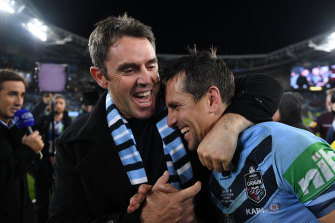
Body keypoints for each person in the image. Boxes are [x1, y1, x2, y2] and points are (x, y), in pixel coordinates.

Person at [48, 14, 283, 223]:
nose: (147, 79)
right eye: (129, 70)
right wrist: (143, 218)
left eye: (151, 65)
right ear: (100, 77)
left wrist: (228, 126)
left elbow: (264, 85)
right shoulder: (72, 143)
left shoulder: (180, 95)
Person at [131, 49, 335, 222]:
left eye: (176, 106)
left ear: (212, 99)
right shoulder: (208, 166)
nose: (170, 121)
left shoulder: (288, 146)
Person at [0, 68, 44, 223]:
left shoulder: (16, 129)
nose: (19, 102)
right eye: (12, 94)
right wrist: (27, 151)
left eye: (22, 95)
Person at [32, 93, 72, 223]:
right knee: (42, 199)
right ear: (51, 105)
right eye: (56, 103)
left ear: (65, 105)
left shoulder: (69, 123)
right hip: (44, 163)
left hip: (61, 164)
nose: (58, 105)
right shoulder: (44, 119)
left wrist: (59, 157)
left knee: (60, 199)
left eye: (61, 103)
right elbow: (32, 123)